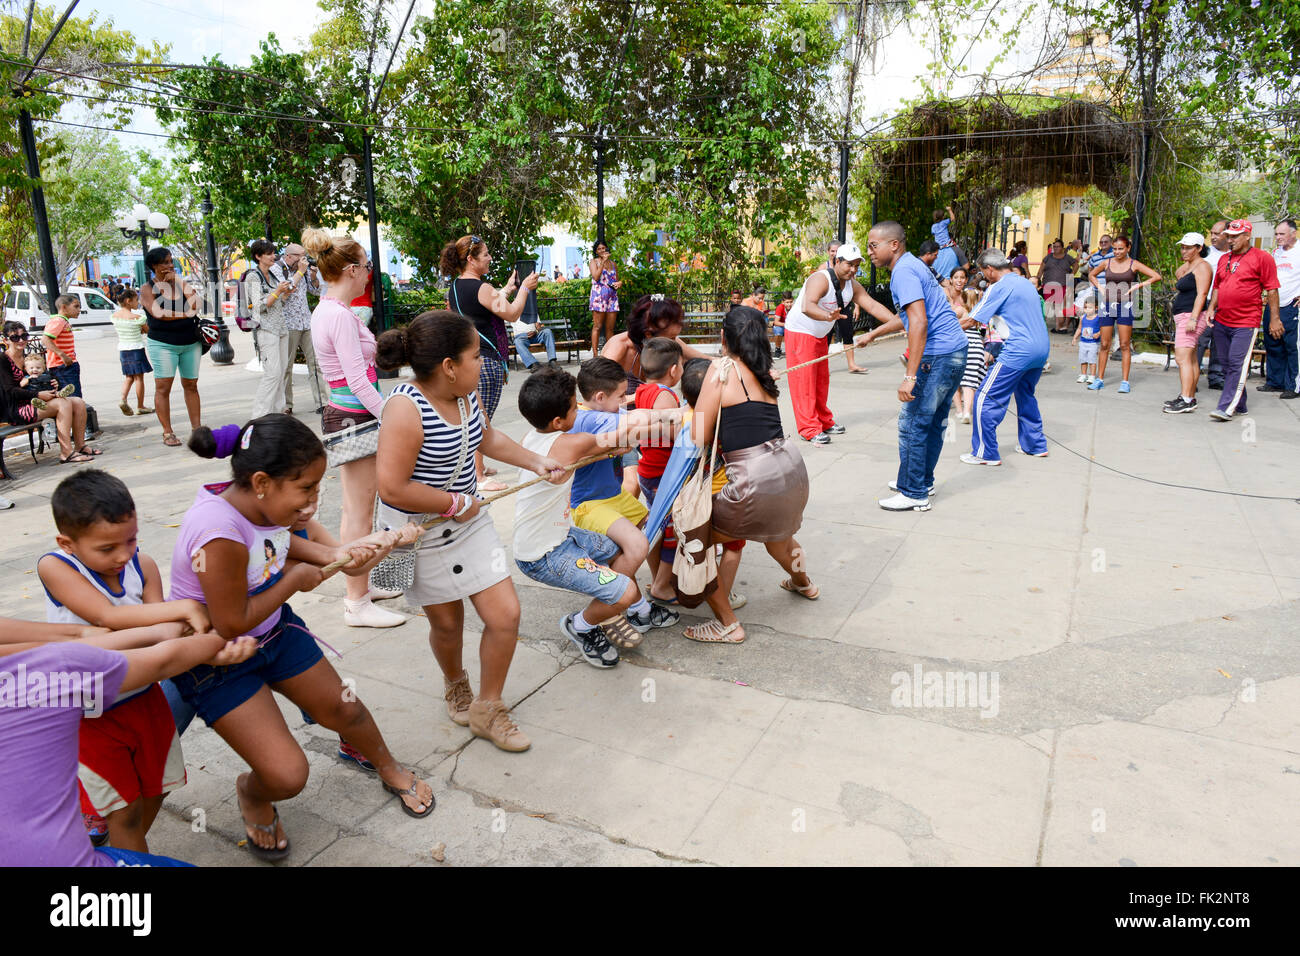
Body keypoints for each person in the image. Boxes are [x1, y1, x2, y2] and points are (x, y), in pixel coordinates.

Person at [171, 415, 434, 859]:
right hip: (218, 658)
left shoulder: (260, 505)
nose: (314, 502)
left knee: (346, 709)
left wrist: (343, 552)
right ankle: (253, 794)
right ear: (261, 482)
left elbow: (297, 547)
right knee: (288, 776)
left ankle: (386, 765)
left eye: (317, 487)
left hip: (273, 631)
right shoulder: (218, 532)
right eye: (307, 489)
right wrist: (293, 581)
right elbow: (231, 622)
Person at [373, 311, 567, 752]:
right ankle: (456, 682)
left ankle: (488, 707)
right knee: (449, 625)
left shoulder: (465, 395)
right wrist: (453, 502)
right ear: (449, 366)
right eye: (477, 355)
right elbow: (392, 485)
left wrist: (537, 461)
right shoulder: (404, 408)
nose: (483, 362)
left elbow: (487, 438)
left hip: (468, 522)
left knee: (506, 615)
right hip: (419, 531)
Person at [37, 469, 213, 853]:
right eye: (106, 549)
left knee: (157, 791)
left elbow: (162, 632)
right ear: (66, 543)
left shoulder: (142, 565)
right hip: (90, 717)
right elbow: (108, 617)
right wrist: (183, 611)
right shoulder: (56, 567)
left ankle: (115, 851)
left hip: (145, 702)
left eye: (131, 539)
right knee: (127, 813)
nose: (122, 555)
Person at [0, 617, 257, 866]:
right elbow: (157, 661)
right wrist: (210, 640)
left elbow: (78, 637)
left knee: (146, 795)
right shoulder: (43, 670)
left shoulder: (34, 667)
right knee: (125, 814)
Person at [514, 366, 678, 660]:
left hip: (562, 534)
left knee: (623, 550)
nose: (579, 412)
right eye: (574, 408)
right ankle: (584, 624)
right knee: (626, 580)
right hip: (543, 554)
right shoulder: (570, 444)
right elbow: (626, 430)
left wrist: (615, 445)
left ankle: (632, 607)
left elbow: (611, 444)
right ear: (557, 421)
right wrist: (686, 413)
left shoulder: (534, 438)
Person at [686, 307, 814, 643]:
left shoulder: (722, 369)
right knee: (779, 539)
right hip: (791, 470)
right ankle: (804, 583)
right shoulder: (765, 373)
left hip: (754, 476)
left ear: (725, 338)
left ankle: (728, 624)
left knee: (693, 540)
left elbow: (698, 434)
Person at [302, 226, 408, 629]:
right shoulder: (337, 315)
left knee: (362, 508)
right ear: (350, 270)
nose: (369, 273)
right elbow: (358, 380)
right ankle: (356, 600)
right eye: (366, 266)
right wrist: (392, 416)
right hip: (354, 418)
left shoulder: (333, 311)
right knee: (359, 512)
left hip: (352, 416)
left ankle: (362, 587)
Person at [858, 222, 968, 510]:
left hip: (939, 355)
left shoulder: (903, 271)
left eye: (873, 245)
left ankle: (913, 491)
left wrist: (910, 376)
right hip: (955, 350)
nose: (869, 251)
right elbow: (909, 316)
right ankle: (921, 479)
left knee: (913, 422)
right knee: (932, 422)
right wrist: (872, 334)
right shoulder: (912, 265)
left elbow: (919, 322)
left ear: (893, 244)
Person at [442, 234, 539, 493]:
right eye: (485, 255)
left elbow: (482, 306)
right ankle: (478, 475)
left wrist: (508, 289)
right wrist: (525, 289)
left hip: (468, 358)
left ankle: (478, 466)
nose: (490, 259)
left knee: (476, 414)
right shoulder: (480, 287)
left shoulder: (455, 287)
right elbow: (512, 312)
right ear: (471, 259)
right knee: (480, 420)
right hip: (485, 360)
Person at [785, 241, 893, 444]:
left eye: (857, 265)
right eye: (849, 264)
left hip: (819, 334)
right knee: (804, 381)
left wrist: (900, 322)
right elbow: (807, 306)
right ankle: (808, 427)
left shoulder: (853, 285)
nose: (853, 270)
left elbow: (872, 305)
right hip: (801, 332)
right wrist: (828, 316)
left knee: (821, 379)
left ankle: (823, 421)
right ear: (837, 261)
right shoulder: (821, 279)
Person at [959, 249, 1051, 465]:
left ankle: (985, 453)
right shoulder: (1025, 283)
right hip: (1041, 349)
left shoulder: (998, 287)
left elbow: (972, 320)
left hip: (1019, 350)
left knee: (984, 397)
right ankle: (1035, 445)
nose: (983, 276)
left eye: (983, 272)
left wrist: (939, 329)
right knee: (1025, 393)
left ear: (990, 269)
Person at [1207, 220, 1281, 421]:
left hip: (1246, 322)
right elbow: (1217, 287)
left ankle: (1226, 408)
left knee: (1236, 365)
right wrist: (1211, 308)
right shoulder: (1224, 259)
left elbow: (1272, 289)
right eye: (1228, 236)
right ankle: (1241, 404)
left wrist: (1274, 319)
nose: (1230, 240)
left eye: (1235, 236)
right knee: (1225, 364)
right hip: (1222, 319)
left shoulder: (1262, 258)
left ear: (1247, 236)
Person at [633, 338, 685, 605]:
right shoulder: (666, 395)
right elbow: (674, 433)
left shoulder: (643, 390)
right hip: (663, 474)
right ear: (674, 370)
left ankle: (657, 579)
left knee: (658, 526)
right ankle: (662, 585)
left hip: (650, 470)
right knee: (673, 531)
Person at [1, 320, 95, 463]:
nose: (21, 340)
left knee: (77, 402)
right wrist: (38, 394)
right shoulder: (3, 360)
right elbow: (10, 391)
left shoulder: (28, 358)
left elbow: (41, 378)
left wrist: (52, 383)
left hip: (36, 402)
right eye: (15, 337)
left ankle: (80, 446)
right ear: (6, 340)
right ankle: (66, 452)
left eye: (24, 336)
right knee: (62, 404)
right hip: (17, 409)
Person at [139, 247, 203, 448]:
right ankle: (167, 432)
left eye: (170, 261)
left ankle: (197, 429)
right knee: (163, 387)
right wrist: (186, 314)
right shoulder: (147, 288)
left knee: (191, 385)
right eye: (165, 262)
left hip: (190, 342)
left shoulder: (179, 284)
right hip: (163, 343)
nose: (169, 265)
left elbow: (197, 304)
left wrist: (179, 281)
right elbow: (158, 313)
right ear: (154, 266)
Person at [1086, 234, 1162, 392]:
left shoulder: (1133, 264)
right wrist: (1100, 288)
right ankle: (1099, 378)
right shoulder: (1106, 262)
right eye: (1114, 249)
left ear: (1128, 248)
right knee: (1105, 344)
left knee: (1124, 344)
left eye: (1120, 249)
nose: (1117, 252)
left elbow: (1156, 276)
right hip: (1107, 305)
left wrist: (1138, 286)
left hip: (1125, 306)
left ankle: (1125, 382)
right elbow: (1091, 274)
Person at [601, 293, 707, 394]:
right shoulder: (619, 347)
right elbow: (596, 390)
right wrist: (643, 396)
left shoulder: (665, 340)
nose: (675, 342)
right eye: (672, 337)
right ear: (648, 334)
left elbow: (705, 359)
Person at [1163, 233, 1215, 414]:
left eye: (1188, 247)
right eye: (1182, 247)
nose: (1184, 250)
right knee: (1191, 359)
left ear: (1199, 248)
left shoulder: (1203, 267)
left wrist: (1193, 318)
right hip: (1184, 315)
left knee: (1182, 358)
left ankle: (1186, 399)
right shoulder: (1193, 265)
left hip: (1190, 317)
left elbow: (1202, 294)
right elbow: (1179, 273)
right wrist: (1189, 259)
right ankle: (1189, 396)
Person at [245, 238, 294, 419]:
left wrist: (286, 292)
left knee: (280, 373)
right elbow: (258, 306)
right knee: (272, 374)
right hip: (266, 330)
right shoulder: (253, 276)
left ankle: (277, 413)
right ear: (258, 256)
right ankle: (260, 416)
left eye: (274, 253)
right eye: (269, 253)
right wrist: (277, 292)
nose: (274, 256)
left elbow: (277, 302)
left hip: (281, 328)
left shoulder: (273, 274)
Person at [278, 242, 327, 415]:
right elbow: (285, 292)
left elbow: (315, 291)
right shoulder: (278, 270)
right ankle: (286, 404)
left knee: (315, 363)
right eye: (300, 255)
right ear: (289, 256)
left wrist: (313, 276)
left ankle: (322, 401)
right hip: (288, 324)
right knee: (287, 366)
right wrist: (300, 271)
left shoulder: (304, 270)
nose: (304, 259)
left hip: (306, 322)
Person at [1263, 219, 1300, 398]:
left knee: (1292, 347)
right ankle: (1275, 382)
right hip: (1273, 304)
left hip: (1292, 306)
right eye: (1276, 234)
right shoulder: (1276, 253)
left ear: (1293, 233)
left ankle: (1294, 386)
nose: (1277, 237)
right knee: (1273, 342)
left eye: (1281, 234)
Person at [1196, 220, 1231, 389]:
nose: (1213, 237)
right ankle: (1192, 376)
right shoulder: (1206, 253)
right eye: (1212, 233)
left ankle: (1216, 377)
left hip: (1225, 304)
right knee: (1200, 340)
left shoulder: (1233, 255)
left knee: (1220, 341)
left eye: (1217, 233)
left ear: (1228, 234)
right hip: (1205, 301)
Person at [946, 268, 984, 423]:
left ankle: (960, 411)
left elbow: (947, 322)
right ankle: (968, 411)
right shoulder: (980, 313)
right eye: (957, 277)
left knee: (955, 379)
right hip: (977, 347)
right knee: (970, 381)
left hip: (960, 345)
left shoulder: (959, 310)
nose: (960, 280)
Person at [110, 288, 153, 417]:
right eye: (136, 300)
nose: (138, 302)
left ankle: (123, 399)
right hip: (136, 349)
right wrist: (143, 329)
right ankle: (140, 406)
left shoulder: (114, 317)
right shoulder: (137, 318)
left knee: (129, 377)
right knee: (139, 378)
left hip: (123, 349)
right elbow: (146, 330)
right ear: (128, 301)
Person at [43, 295, 84, 398]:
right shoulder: (58, 321)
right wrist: (62, 355)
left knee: (73, 396)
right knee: (73, 397)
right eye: (76, 306)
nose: (79, 310)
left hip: (66, 365)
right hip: (63, 366)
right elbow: (45, 339)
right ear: (64, 307)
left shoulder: (63, 321)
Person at [1037, 240, 1077, 333]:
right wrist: (1037, 279)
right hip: (1048, 284)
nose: (1055, 248)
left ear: (1062, 248)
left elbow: (1076, 265)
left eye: (1058, 246)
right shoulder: (1048, 257)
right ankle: (1042, 326)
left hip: (1062, 284)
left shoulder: (1068, 258)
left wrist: (1071, 274)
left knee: (1059, 306)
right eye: (1054, 246)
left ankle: (1058, 327)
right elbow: (1041, 269)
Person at [588, 240, 621, 354]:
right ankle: (595, 354)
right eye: (599, 249)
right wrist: (602, 262)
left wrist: (619, 283)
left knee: (610, 328)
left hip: (612, 297)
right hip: (598, 296)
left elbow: (615, 280)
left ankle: (609, 353)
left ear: (607, 248)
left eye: (604, 248)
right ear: (596, 251)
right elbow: (596, 277)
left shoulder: (613, 264)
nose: (602, 250)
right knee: (597, 326)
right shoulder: (594, 262)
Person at [1072, 292, 1102, 386]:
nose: (1087, 310)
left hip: (1093, 343)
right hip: (1083, 342)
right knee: (1083, 359)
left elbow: (1103, 329)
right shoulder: (1082, 318)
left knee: (1092, 360)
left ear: (1096, 308)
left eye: (1090, 308)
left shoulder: (1098, 318)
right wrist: (1075, 338)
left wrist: (1098, 333)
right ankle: (1083, 374)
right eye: (1085, 308)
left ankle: (1092, 376)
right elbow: (1079, 328)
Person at [773, 291, 792, 358]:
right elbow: (776, 322)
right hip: (782, 326)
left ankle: (792, 350)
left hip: (791, 326)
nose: (789, 304)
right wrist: (787, 324)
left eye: (790, 302)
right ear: (783, 302)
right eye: (787, 302)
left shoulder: (794, 307)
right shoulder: (780, 307)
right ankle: (778, 349)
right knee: (778, 330)